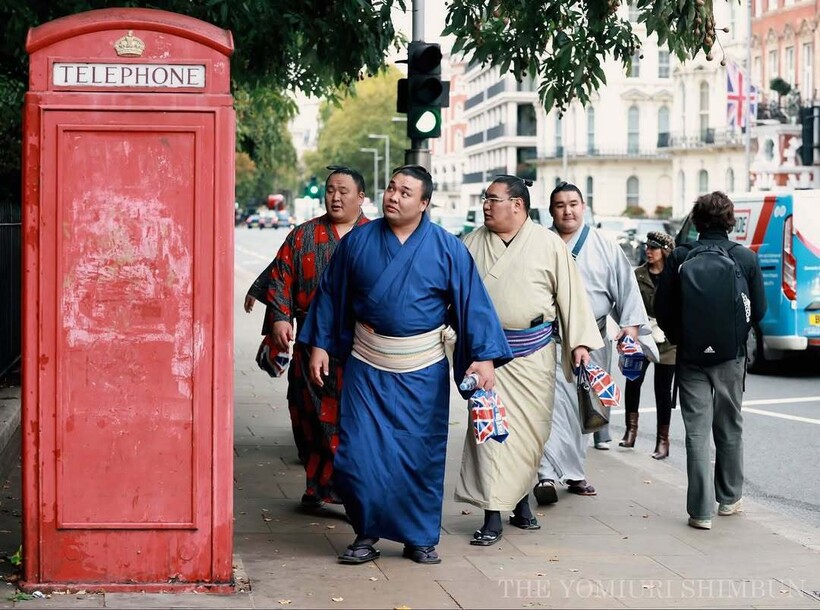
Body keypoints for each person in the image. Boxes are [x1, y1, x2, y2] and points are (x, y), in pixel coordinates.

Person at [299, 165, 512, 565]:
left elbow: (473, 303)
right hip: (367, 366)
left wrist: (483, 357)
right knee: (359, 456)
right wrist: (320, 345)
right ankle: (366, 532)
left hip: (422, 369)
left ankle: (418, 538)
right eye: (391, 188)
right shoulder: (359, 242)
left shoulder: (447, 248)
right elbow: (331, 295)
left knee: (420, 456)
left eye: (405, 192)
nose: (393, 197)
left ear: (425, 203)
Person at [455, 176, 603, 546]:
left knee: (531, 434)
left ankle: (520, 502)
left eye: (493, 199)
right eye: (485, 199)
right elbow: (455, 300)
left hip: (535, 351)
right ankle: (492, 514)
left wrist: (580, 343)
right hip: (487, 355)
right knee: (489, 434)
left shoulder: (549, 244)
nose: (486, 205)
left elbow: (571, 296)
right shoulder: (470, 244)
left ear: (517, 205)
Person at [244, 166, 369, 509]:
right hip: (309, 340)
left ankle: (345, 490)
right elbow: (282, 275)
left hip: (360, 348)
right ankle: (316, 487)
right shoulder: (303, 235)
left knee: (348, 423)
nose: (335, 196)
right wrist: (280, 318)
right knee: (308, 418)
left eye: (344, 190)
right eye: (331, 189)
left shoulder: (376, 236)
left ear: (361, 197)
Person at [535, 182, 656, 504]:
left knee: (583, 407)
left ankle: (574, 473)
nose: (567, 210)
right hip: (548, 339)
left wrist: (630, 328)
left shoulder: (604, 246)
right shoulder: (539, 244)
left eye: (573, 203)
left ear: (583, 207)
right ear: (551, 210)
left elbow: (626, 290)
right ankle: (545, 474)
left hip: (592, 340)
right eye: (560, 205)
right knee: (549, 407)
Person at [655, 191, 766, 530]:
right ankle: (729, 499)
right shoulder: (745, 258)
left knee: (697, 433)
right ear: (730, 221)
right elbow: (758, 311)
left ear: (697, 221)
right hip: (730, 357)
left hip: (690, 357)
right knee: (730, 426)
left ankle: (700, 511)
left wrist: (683, 338)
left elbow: (662, 309)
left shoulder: (680, 257)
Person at [620, 231, 677, 459]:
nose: (648, 251)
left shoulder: (674, 276)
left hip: (668, 340)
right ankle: (630, 431)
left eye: (654, 248)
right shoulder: (638, 274)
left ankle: (662, 441)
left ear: (665, 251)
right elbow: (629, 304)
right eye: (647, 247)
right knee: (633, 381)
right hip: (642, 337)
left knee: (663, 390)